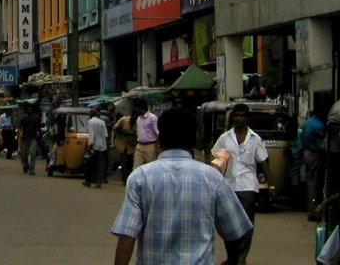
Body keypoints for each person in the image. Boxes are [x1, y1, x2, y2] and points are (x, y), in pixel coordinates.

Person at [111, 107, 253, 265]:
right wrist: (233, 261)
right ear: (194, 138)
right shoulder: (213, 178)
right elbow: (234, 230)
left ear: (160, 137)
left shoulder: (140, 177)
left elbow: (127, 235)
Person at [211, 103, 275, 264]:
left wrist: (271, 184)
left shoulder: (255, 138)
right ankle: (233, 257)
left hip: (248, 187)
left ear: (247, 118)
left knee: (246, 226)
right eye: (236, 115)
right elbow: (215, 159)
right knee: (229, 225)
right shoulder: (225, 138)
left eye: (241, 116)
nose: (238, 118)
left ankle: (240, 259)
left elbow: (263, 162)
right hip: (229, 186)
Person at [303, 108, 327, 222]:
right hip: (314, 154)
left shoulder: (308, 122)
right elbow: (322, 144)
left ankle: (311, 208)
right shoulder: (319, 125)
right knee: (315, 183)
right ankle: (314, 210)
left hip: (306, 152)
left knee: (310, 182)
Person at [83, 108, 108, 189]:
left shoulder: (90, 122)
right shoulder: (102, 122)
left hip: (93, 147)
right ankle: (99, 182)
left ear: (90, 115)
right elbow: (106, 135)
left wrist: (90, 146)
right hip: (102, 147)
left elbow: (91, 135)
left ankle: (88, 181)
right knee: (100, 164)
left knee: (89, 163)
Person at [112, 107, 138, 185]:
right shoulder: (124, 120)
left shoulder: (138, 123)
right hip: (121, 144)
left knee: (130, 162)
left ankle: (128, 178)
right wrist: (124, 132)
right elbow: (115, 128)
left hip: (131, 145)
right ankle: (124, 179)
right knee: (124, 162)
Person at [133, 98, 159, 169]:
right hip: (139, 146)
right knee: (136, 168)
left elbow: (157, 132)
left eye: (136, 107)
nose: (135, 110)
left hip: (150, 146)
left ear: (140, 108)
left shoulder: (152, 118)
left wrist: (158, 146)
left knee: (151, 168)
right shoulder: (138, 118)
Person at [18, 107, 41, 175]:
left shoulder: (36, 118)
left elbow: (38, 128)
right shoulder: (24, 118)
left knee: (32, 153)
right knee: (25, 154)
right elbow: (20, 128)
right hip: (26, 138)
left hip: (33, 138)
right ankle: (26, 165)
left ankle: (31, 169)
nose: (29, 111)